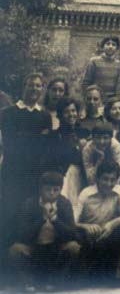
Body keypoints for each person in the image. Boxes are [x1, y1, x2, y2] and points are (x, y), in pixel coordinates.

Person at [8, 170, 81, 293]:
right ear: (41, 189)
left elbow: (72, 233)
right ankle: (29, 282)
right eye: (48, 190)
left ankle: (56, 281)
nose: (52, 194)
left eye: (56, 190)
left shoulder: (64, 204)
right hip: (34, 248)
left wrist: (55, 221)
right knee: (15, 249)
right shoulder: (29, 204)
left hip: (56, 248)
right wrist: (41, 219)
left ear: (60, 190)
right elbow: (21, 234)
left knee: (74, 247)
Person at [1, 72, 52, 240]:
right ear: (24, 87)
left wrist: (26, 136)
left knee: (30, 212)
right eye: (31, 85)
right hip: (13, 172)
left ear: (42, 89)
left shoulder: (44, 115)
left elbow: (45, 147)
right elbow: (11, 144)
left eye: (38, 86)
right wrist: (37, 136)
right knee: (10, 209)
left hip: (34, 173)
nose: (34, 89)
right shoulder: (8, 113)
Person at [76, 161, 120, 282]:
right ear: (97, 178)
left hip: (108, 234)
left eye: (112, 180)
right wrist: (85, 226)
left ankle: (117, 276)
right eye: (105, 179)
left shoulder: (118, 190)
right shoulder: (86, 193)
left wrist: (112, 224)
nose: (109, 183)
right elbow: (72, 221)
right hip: (88, 236)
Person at [44, 97, 86, 212]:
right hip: (64, 175)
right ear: (60, 115)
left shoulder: (84, 133)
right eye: (66, 112)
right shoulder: (54, 136)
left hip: (82, 175)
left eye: (73, 111)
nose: (71, 114)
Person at [81, 36, 120, 103]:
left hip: (112, 99)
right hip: (96, 99)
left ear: (117, 48)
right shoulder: (94, 61)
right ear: (103, 46)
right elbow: (86, 82)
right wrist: (87, 99)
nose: (110, 46)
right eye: (108, 44)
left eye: (113, 44)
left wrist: (118, 100)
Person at [81, 121, 120, 186]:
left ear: (111, 138)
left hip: (112, 183)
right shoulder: (87, 149)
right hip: (94, 184)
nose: (101, 142)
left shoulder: (116, 146)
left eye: (105, 138)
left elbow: (118, 174)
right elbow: (90, 179)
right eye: (97, 138)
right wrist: (99, 160)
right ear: (93, 138)